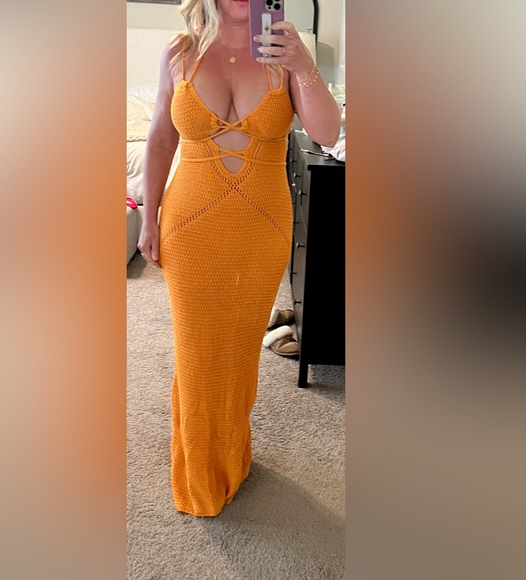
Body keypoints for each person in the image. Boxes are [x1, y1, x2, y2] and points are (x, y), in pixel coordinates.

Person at [138, 0, 340, 517]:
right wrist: (148, 218)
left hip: (261, 230)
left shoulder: (285, 52)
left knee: (239, 349)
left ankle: (230, 451)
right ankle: (199, 473)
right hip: (189, 226)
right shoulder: (179, 53)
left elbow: (327, 133)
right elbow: (160, 138)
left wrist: (303, 65)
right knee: (197, 350)